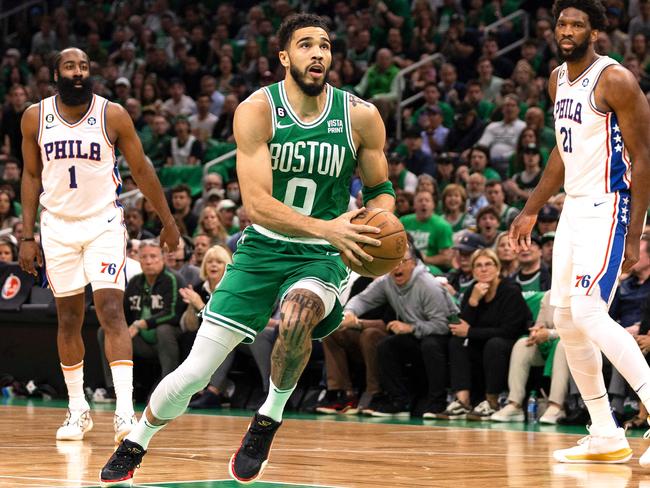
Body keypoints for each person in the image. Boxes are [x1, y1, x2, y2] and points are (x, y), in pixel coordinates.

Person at [100, 13, 395, 486]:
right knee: (196, 373)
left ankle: (267, 419)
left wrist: (377, 220)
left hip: (321, 254)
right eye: (305, 45)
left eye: (324, 45)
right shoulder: (257, 110)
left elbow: (382, 188)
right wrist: (330, 226)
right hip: (263, 249)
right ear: (284, 57)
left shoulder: (360, 116)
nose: (317, 53)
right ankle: (137, 439)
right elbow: (257, 206)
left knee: (299, 313)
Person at [509, 0, 650, 465]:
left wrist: (634, 234)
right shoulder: (556, 79)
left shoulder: (615, 80)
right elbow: (561, 151)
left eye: (577, 24)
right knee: (566, 320)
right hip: (572, 210)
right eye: (562, 23)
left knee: (589, 313)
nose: (566, 30)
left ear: (595, 33)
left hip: (610, 208)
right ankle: (606, 432)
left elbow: (645, 157)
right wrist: (532, 208)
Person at [19, 48, 180, 442]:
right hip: (56, 226)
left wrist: (168, 220)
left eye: (85, 67)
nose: (78, 73)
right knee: (69, 319)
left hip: (103, 223)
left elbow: (141, 169)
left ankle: (125, 414)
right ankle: (78, 410)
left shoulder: (112, 115)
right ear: (56, 73)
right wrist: (26, 236)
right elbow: (29, 174)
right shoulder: (34, 117)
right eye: (70, 66)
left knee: (111, 310)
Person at [97, 239, 186, 398]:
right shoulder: (135, 282)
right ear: (138, 259)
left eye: (153, 256)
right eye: (144, 257)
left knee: (163, 330)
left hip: (170, 340)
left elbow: (173, 314)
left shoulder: (173, 279)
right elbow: (124, 314)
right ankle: (115, 387)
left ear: (163, 257)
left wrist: (142, 324)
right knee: (106, 331)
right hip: (142, 342)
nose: (148, 261)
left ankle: (168, 390)